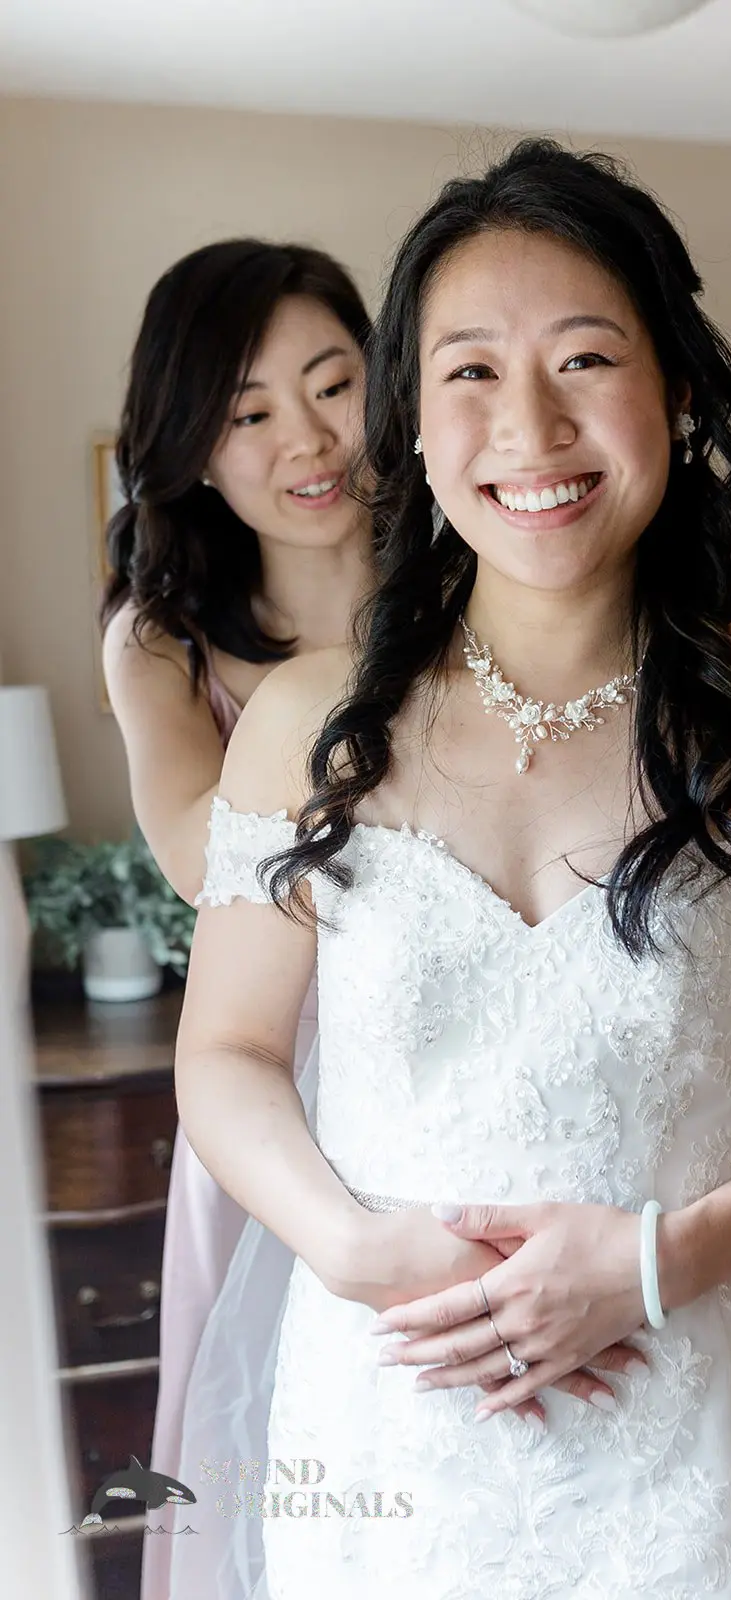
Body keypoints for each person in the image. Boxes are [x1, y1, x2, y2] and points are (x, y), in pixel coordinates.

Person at [175, 141, 731, 1598]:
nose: (529, 426)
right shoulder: (309, 724)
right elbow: (226, 1053)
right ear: (411, 423)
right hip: (388, 1417)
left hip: (685, 1432)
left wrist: (660, 1260)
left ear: (681, 391)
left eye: (585, 358)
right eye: (469, 371)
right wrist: (348, 1248)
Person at [99, 238, 374, 1598]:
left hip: (471, 1038)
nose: (308, 440)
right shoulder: (159, 640)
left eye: (334, 384)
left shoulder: (479, 580)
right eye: (250, 412)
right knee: (278, 1455)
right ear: (194, 449)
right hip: (274, 1075)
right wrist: (355, 696)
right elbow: (203, 861)